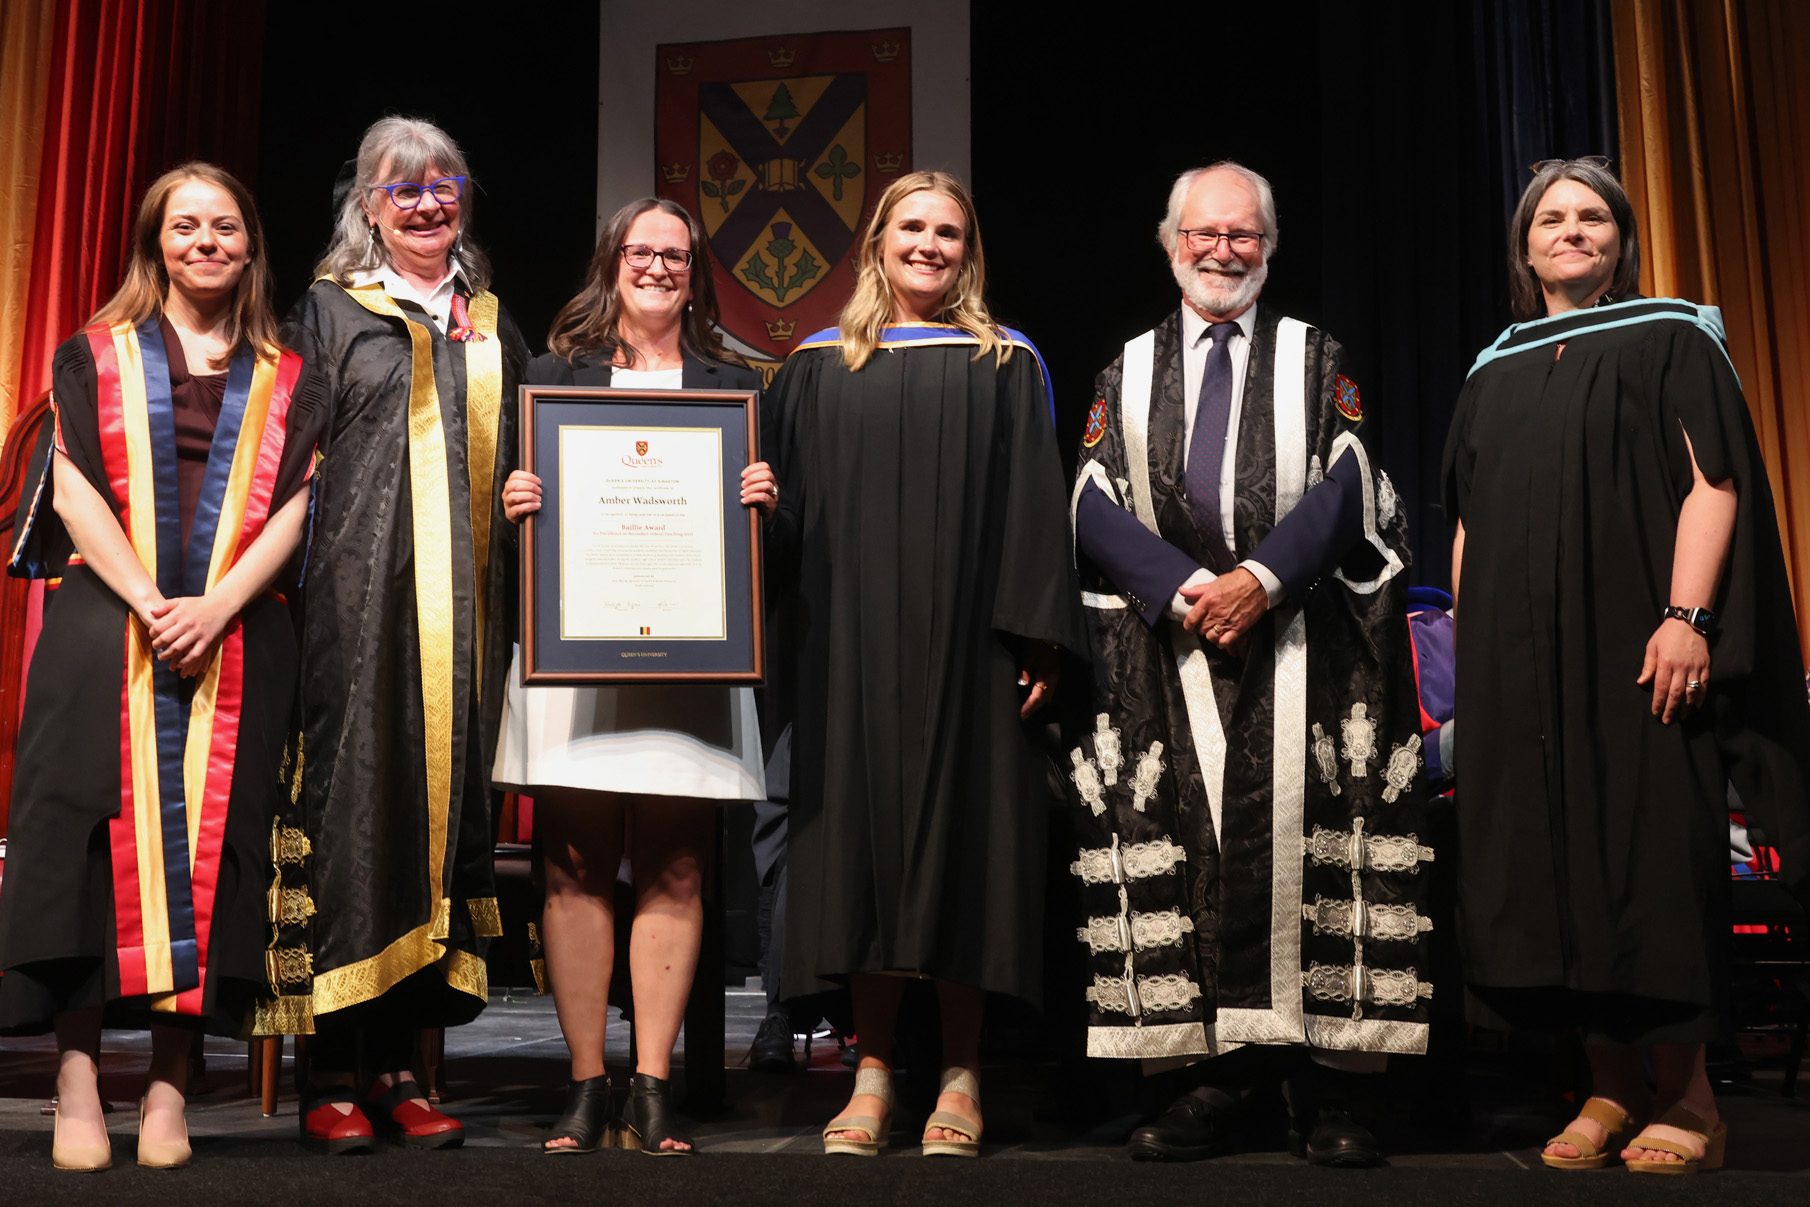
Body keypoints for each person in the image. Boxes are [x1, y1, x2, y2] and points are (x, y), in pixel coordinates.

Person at [1442, 158, 1810, 1174]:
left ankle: (1687, 1096)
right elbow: (1467, 520)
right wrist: (1476, 651)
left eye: (1591, 215)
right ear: (1524, 247)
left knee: (1646, 861)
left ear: (1619, 238)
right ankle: (1606, 1087)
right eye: (1550, 218)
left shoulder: (1668, 336)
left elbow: (1712, 484)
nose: (1571, 230)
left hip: (1640, 650)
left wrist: (1686, 617)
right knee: (1551, 871)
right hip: (1520, 667)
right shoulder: (1493, 366)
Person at [1066, 162, 1430, 1167]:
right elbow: (1091, 497)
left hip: (1305, 645)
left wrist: (1261, 580)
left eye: (1245, 236)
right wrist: (1189, 589)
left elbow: (1351, 476)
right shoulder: (1124, 370)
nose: (1224, 250)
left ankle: (1329, 1088)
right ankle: (1202, 1081)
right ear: (1169, 239)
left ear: (1269, 247)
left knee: (1315, 839)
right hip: (1175, 649)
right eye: (1205, 233)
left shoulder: (1318, 358)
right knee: (1186, 850)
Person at [0, 163, 321, 1170]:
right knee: (87, 844)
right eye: (185, 227)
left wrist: (217, 606)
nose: (205, 243)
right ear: (156, 243)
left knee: (211, 849)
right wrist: (150, 602)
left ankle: (173, 1089)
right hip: (109, 622)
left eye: (224, 226)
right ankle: (79, 1080)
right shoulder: (92, 356)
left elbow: (299, 507)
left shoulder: (292, 375)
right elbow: (74, 494)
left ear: (249, 243)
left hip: (236, 631)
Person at [763, 170, 1084, 1158]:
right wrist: (753, 506)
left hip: (970, 653)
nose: (930, 245)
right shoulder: (818, 365)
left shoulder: (1003, 361)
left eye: (948, 232)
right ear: (878, 240)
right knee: (857, 848)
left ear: (967, 250)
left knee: (965, 854)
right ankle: (869, 1070)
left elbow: (1037, 506)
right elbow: (782, 519)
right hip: (844, 650)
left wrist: (1038, 638)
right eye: (912, 227)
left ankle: (960, 1069)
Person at [494, 197, 775, 1155]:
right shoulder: (550, 377)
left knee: (678, 863)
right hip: (577, 650)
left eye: (677, 255)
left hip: (693, 651)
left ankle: (649, 1082)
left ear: (696, 274)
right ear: (611, 260)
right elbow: (509, 517)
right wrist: (515, 494)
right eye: (641, 251)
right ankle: (584, 1082)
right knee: (571, 862)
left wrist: (763, 501)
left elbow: (777, 540)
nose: (657, 267)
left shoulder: (737, 387)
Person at [278, 117, 528, 1153]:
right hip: (356, 615)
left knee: (441, 822)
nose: (428, 202)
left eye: (444, 184)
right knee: (356, 821)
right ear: (368, 206)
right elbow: (288, 459)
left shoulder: (491, 326)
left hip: (465, 624)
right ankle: (332, 1071)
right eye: (403, 188)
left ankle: (408, 1070)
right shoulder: (333, 313)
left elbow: (530, 443)